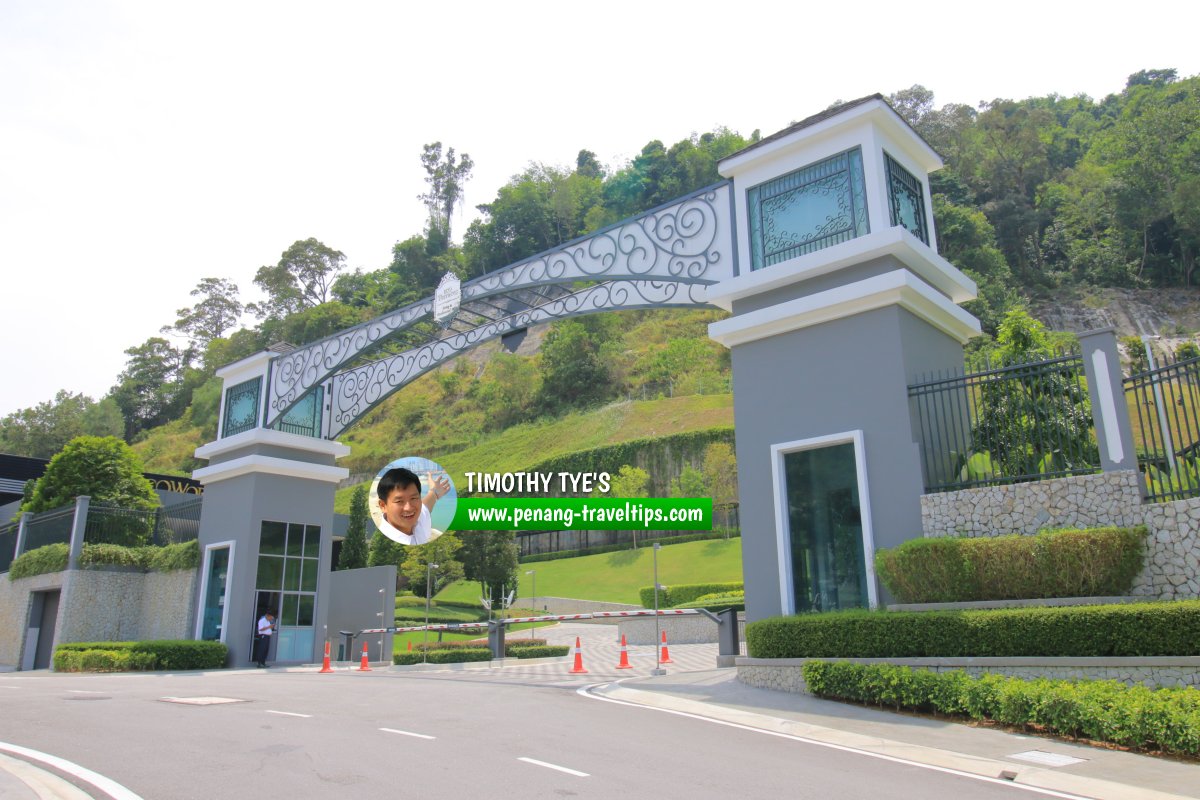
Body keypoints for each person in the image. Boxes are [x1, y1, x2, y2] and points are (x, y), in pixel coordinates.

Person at [375, 467, 450, 545]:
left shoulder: (418, 519)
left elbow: (426, 506)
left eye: (413, 498)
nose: (409, 508)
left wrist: (434, 492)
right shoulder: (386, 543)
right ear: (383, 506)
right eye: (399, 501)